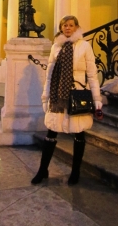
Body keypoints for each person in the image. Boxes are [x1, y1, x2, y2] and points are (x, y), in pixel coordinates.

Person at [31, 15, 103, 186]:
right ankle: (43, 170)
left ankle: (75, 171)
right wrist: (45, 96)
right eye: (64, 25)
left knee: (79, 133)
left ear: (77, 27)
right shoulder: (56, 47)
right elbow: (49, 75)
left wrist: (97, 99)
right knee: (51, 132)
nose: (67, 28)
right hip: (57, 95)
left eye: (71, 25)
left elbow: (92, 75)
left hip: (77, 94)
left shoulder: (84, 46)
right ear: (61, 28)